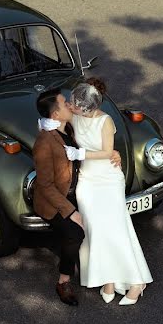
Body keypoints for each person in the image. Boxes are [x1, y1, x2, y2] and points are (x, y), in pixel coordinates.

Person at [63, 78, 153, 305]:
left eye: (75, 105)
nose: (71, 106)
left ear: (88, 108)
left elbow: (106, 152)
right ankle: (108, 279)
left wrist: (79, 154)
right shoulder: (75, 115)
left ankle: (136, 282)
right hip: (87, 180)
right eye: (72, 103)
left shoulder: (105, 121)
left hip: (108, 179)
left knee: (115, 228)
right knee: (94, 228)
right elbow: (49, 121)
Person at [33, 88, 120, 306]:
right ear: (55, 115)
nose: (70, 105)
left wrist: (113, 152)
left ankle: (104, 269)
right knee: (75, 232)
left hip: (80, 188)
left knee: (101, 221)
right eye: (65, 104)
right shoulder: (45, 142)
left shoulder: (69, 127)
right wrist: (70, 211)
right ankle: (63, 281)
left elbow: (93, 140)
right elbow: (44, 185)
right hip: (55, 201)